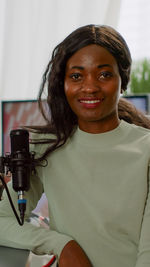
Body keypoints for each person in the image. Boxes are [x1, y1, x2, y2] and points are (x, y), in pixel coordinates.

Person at [0, 24, 150, 267]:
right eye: (77, 76)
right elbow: (3, 220)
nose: (89, 87)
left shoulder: (146, 149)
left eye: (104, 74)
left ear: (123, 81)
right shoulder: (44, 148)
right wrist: (61, 244)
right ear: (63, 83)